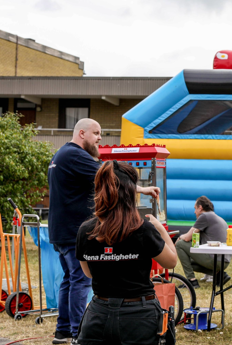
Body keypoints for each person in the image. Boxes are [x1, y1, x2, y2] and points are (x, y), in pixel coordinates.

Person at [48, 118, 159, 344]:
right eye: (96, 133)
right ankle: (79, 332)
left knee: (69, 280)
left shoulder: (60, 155)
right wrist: (143, 188)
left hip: (60, 230)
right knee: (80, 281)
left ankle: (63, 331)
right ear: (81, 133)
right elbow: (111, 177)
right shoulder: (75, 154)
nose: (100, 138)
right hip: (74, 230)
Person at [75, 160, 176, 345]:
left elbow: (88, 272)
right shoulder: (143, 229)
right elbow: (171, 261)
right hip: (139, 314)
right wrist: (160, 229)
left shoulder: (86, 230)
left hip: (99, 314)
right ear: (131, 192)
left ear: (99, 191)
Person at [176, 196, 231, 288]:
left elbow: (187, 238)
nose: (194, 212)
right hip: (224, 261)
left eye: (195, 208)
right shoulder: (217, 218)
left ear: (200, 207)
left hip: (215, 259)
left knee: (180, 244)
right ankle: (220, 275)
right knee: (189, 264)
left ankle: (191, 282)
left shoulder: (205, 216)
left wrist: (179, 237)